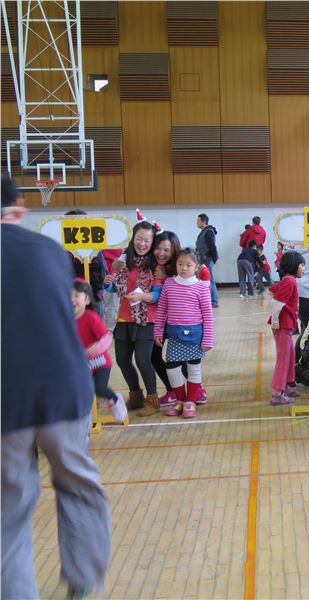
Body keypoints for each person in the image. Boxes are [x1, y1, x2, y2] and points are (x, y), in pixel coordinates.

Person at [1, 174, 111, 599]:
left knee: (8, 508)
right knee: (79, 487)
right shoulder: (49, 250)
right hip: (65, 387)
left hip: (6, 396)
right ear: (18, 210)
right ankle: (83, 583)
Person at [104, 221, 162, 416]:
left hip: (147, 319)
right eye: (139, 239)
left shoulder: (156, 265)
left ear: (152, 242)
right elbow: (113, 287)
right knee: (122, 360)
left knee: (143, 360)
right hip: (124, 317)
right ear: (133, 238)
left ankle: (152, 399)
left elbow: (158, 294)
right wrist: (108, 282)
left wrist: (142, 296)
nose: (142, 244)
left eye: (147, 240)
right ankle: (136, 396)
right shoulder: (123, 260)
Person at [154, 249, 215, 419]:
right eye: (180, 264)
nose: (183, 268)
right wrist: (158, 330)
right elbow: (162, 309)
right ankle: (180, 400)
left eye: (188, 264)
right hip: (174, 335)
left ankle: (190, 402)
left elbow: (208, 315)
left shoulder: (202, 286)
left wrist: (208, 339)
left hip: (195, 336)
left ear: (196, 267)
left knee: (193, 368)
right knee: (172, 369)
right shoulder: (169, 284)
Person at [73, 279, 128, 424]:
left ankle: (115, 399)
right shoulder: (66, 320)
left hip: (100, 362)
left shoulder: (91, 317)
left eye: (76, 296)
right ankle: (83, 418)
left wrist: (96, 348)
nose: (71, 299)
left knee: (99, 388)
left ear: (87, 299)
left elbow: (107, 337)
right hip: (82, 364)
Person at [267, 251, 305, 405]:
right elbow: (276, 304)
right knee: (283, 359)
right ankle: (277, 393)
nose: (304, 268)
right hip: (283, 326)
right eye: (302, 265)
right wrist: (275, 323)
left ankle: (286, 385)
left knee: (290, 355)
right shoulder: (290, 282)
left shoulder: (289, 281)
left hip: (286, 326)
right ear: (294, 265)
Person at [195, 213, 219, 307]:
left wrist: (215, 258)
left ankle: (214, 301)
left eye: (198, 221)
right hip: (203, 259)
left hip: (208, 258)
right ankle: (207, 299)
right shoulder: (204, 231)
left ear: (203, 221)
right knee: (204, 279)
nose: (197, 223)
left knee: (209, 279)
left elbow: (212, 246)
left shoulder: (208, 232)